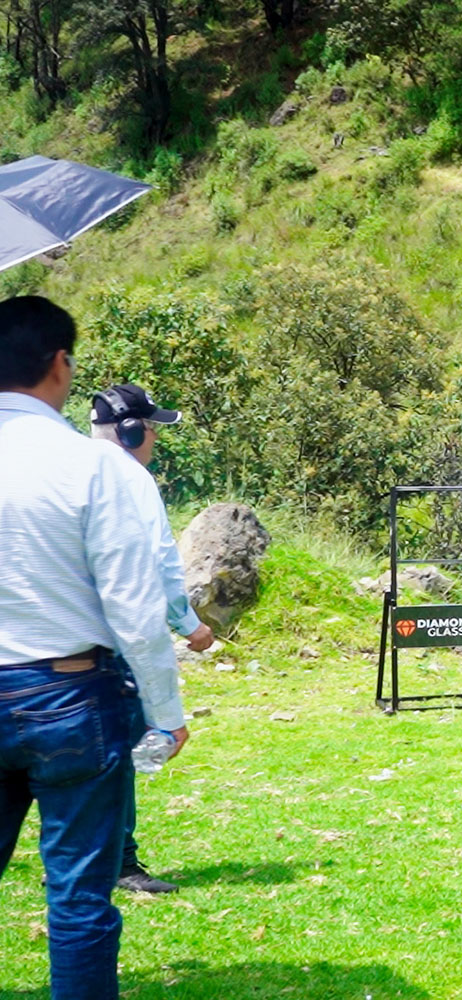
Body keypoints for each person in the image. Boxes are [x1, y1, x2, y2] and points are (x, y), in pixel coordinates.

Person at [0, 295, 188, 1000]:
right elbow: (134, 608)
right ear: (59, 364)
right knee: (77, 898)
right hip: (70, 693)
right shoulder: (97, 467)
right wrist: (165, 712)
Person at [91, 383, 213, 894]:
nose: (156, 439)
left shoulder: (54, 466)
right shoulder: (130, 480)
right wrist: (190, 625)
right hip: (111, 646)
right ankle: (121, 862)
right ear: (131, 430)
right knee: (122, 749)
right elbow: (161, 568)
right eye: (152, 428)